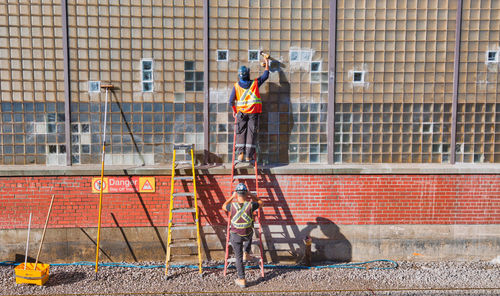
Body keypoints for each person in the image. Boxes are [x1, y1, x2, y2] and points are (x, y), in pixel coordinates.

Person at [222, 183, 263, 288]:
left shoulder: (232, 206)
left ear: (237, 194)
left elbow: (223, 206)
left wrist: (232, 197)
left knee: (238, 258)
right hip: (247, 235)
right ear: (245, 194)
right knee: (251, 231)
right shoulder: (251, 205)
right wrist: (251, 194)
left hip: (236, 236)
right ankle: (246, 252)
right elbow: (261, 203)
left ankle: (242, 279)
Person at [229, 57, 270, 162]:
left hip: (241, 113)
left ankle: (240, 154)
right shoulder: (255, 83)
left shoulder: (236, 86)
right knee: (251, 133)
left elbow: (231, 101)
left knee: (241, 132)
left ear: (239, 75)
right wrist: (267, 62)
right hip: (253, 113)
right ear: (248, 74)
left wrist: (234, 110)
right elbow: (266, 75)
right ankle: (248, 156)